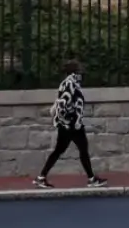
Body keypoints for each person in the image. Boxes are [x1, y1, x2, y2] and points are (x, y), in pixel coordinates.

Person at [34, 60, 108, 188]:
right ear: (74, 72)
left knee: (60, 150)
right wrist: (70, 121)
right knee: (81, 149)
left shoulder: (69, 83)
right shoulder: (70, 83)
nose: (81, 74)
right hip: (72, 124)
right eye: (79, 71)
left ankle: (41, 177)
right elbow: (64, 103)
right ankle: (91, 179)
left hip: (68, 124)